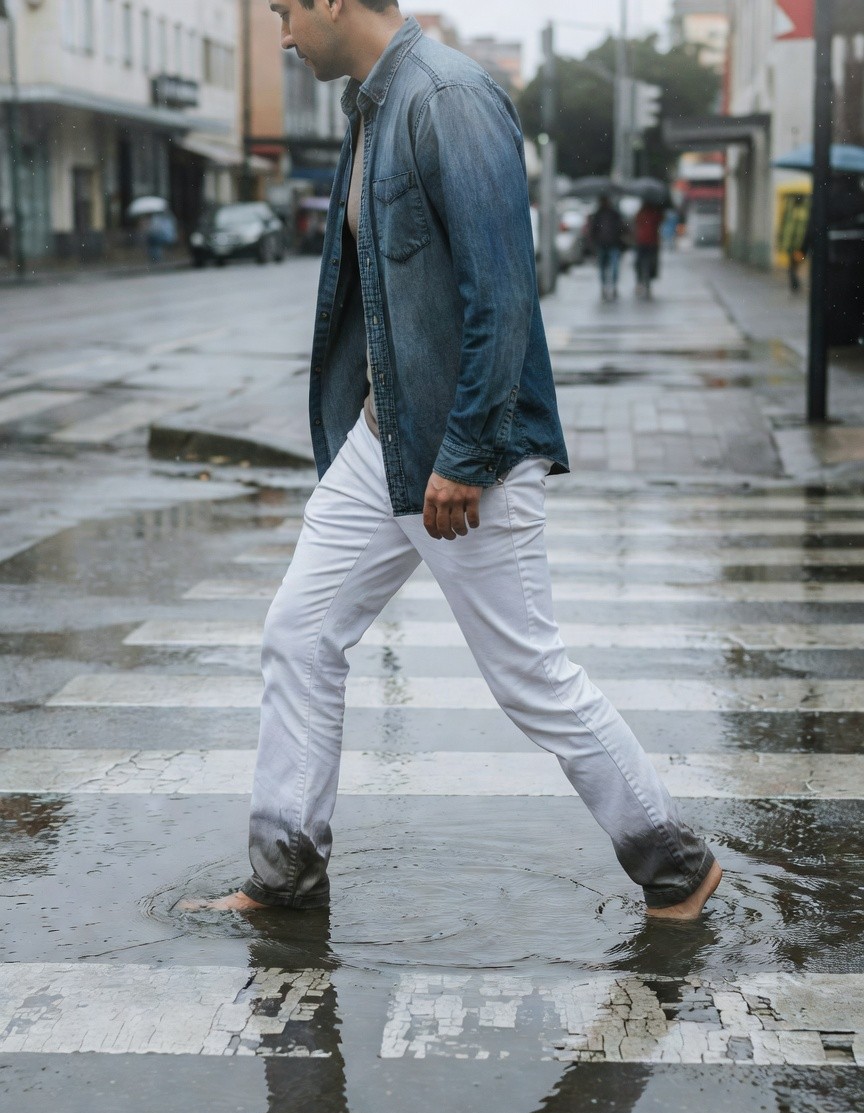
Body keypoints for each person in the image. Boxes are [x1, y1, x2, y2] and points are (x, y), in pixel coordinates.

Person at [187, 0, 721, 922]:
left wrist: (466, 454)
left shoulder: (447, 98)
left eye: (282, 11)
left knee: (529, 675)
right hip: (381, 436)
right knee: (300, 632)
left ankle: (673, 859)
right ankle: (285, 872)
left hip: (465, 450)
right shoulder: (371, 107)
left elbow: (503, 293)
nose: (280, 32)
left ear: (328, 0)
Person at [588, 195, 625, 301]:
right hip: (605, 244)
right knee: (605, 267)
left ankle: (610, 287)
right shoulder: (600, 215)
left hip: (611, 244)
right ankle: (607, 287)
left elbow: (620, 227)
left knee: (610, 267)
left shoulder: (612, 214)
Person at [633, 201, 664, 298]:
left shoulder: (641, 213)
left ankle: (640, 281)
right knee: (651, 263)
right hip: (651, 242)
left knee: (639, 262)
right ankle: (647, 281)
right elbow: (661, 220)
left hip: (642, 241)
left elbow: (636, 223)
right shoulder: (654, 213)